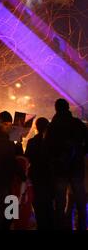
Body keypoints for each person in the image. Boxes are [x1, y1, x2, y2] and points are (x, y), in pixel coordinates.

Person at [46, 98, 87, 230]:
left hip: (60, 169)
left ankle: (61, 227)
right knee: (81, 202)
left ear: (56, 108)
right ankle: (82, 226)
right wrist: (80, 153)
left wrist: (55, 159)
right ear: (68, 107)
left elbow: (47, 147)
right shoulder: (77, 124)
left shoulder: (53, 126)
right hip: (76, 168)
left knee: (60, 203)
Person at [25, 117, 53, 230]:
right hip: (49, 177)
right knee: (48, 205)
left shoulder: (32, 142)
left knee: (38, 206)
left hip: (36, 177)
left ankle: (41, 225)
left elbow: (27, 159)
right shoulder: (52, 142)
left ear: (36, 127)